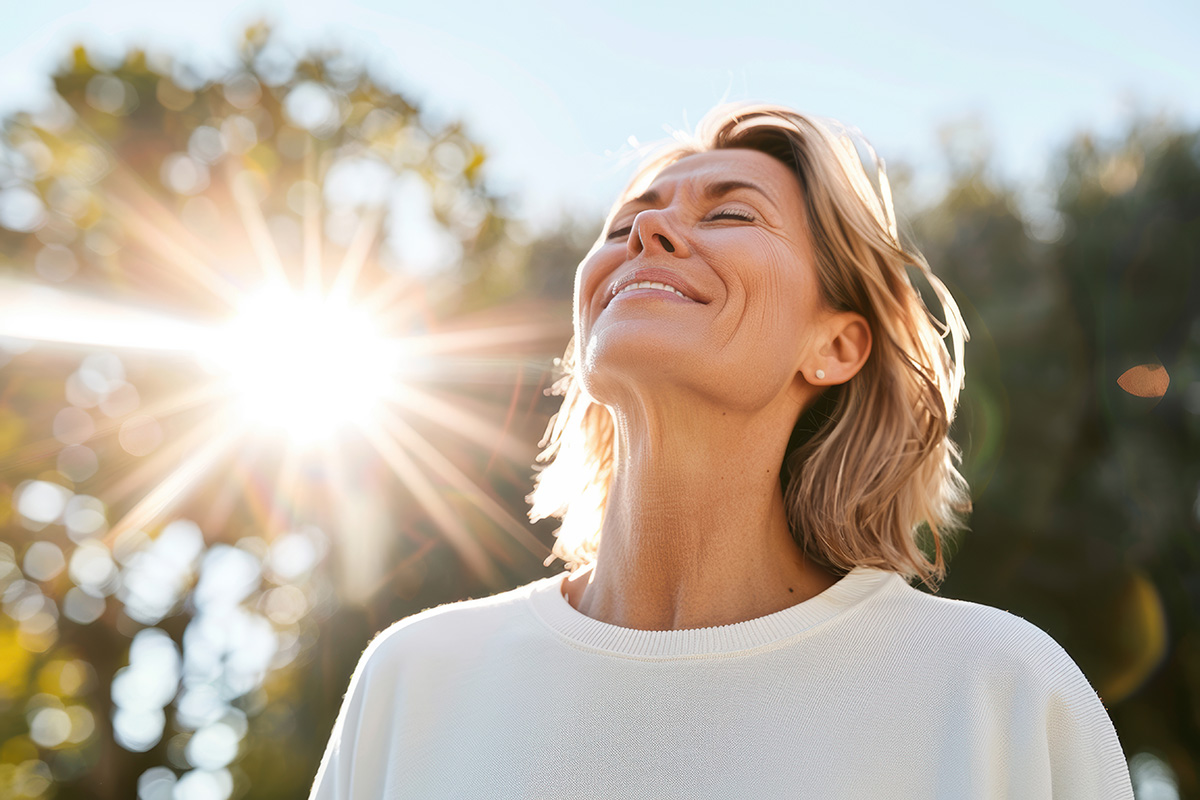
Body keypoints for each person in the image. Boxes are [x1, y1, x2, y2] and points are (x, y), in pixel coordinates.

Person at [309, 103, 1134, 799]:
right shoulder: (414, 681)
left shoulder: (998, 692)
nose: (650, 233)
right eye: (625, 223)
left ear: (838, 345)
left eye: (730, 213)